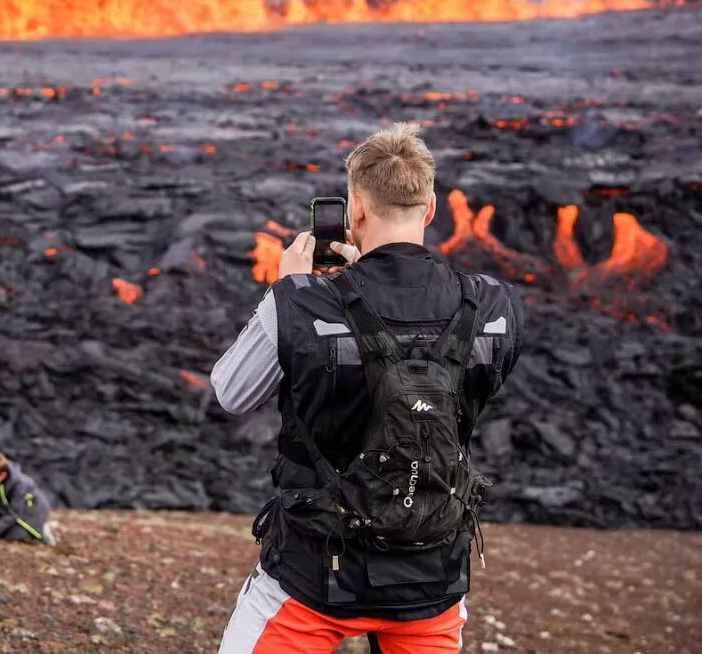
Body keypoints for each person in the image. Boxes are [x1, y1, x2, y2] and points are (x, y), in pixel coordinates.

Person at [212, 123, 522, 654]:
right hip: (431, 576)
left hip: (314, 576)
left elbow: (232, 394)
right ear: (428, 210)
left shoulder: (304, 301)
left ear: (355, 209)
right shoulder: (492, 305)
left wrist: (288, 294)